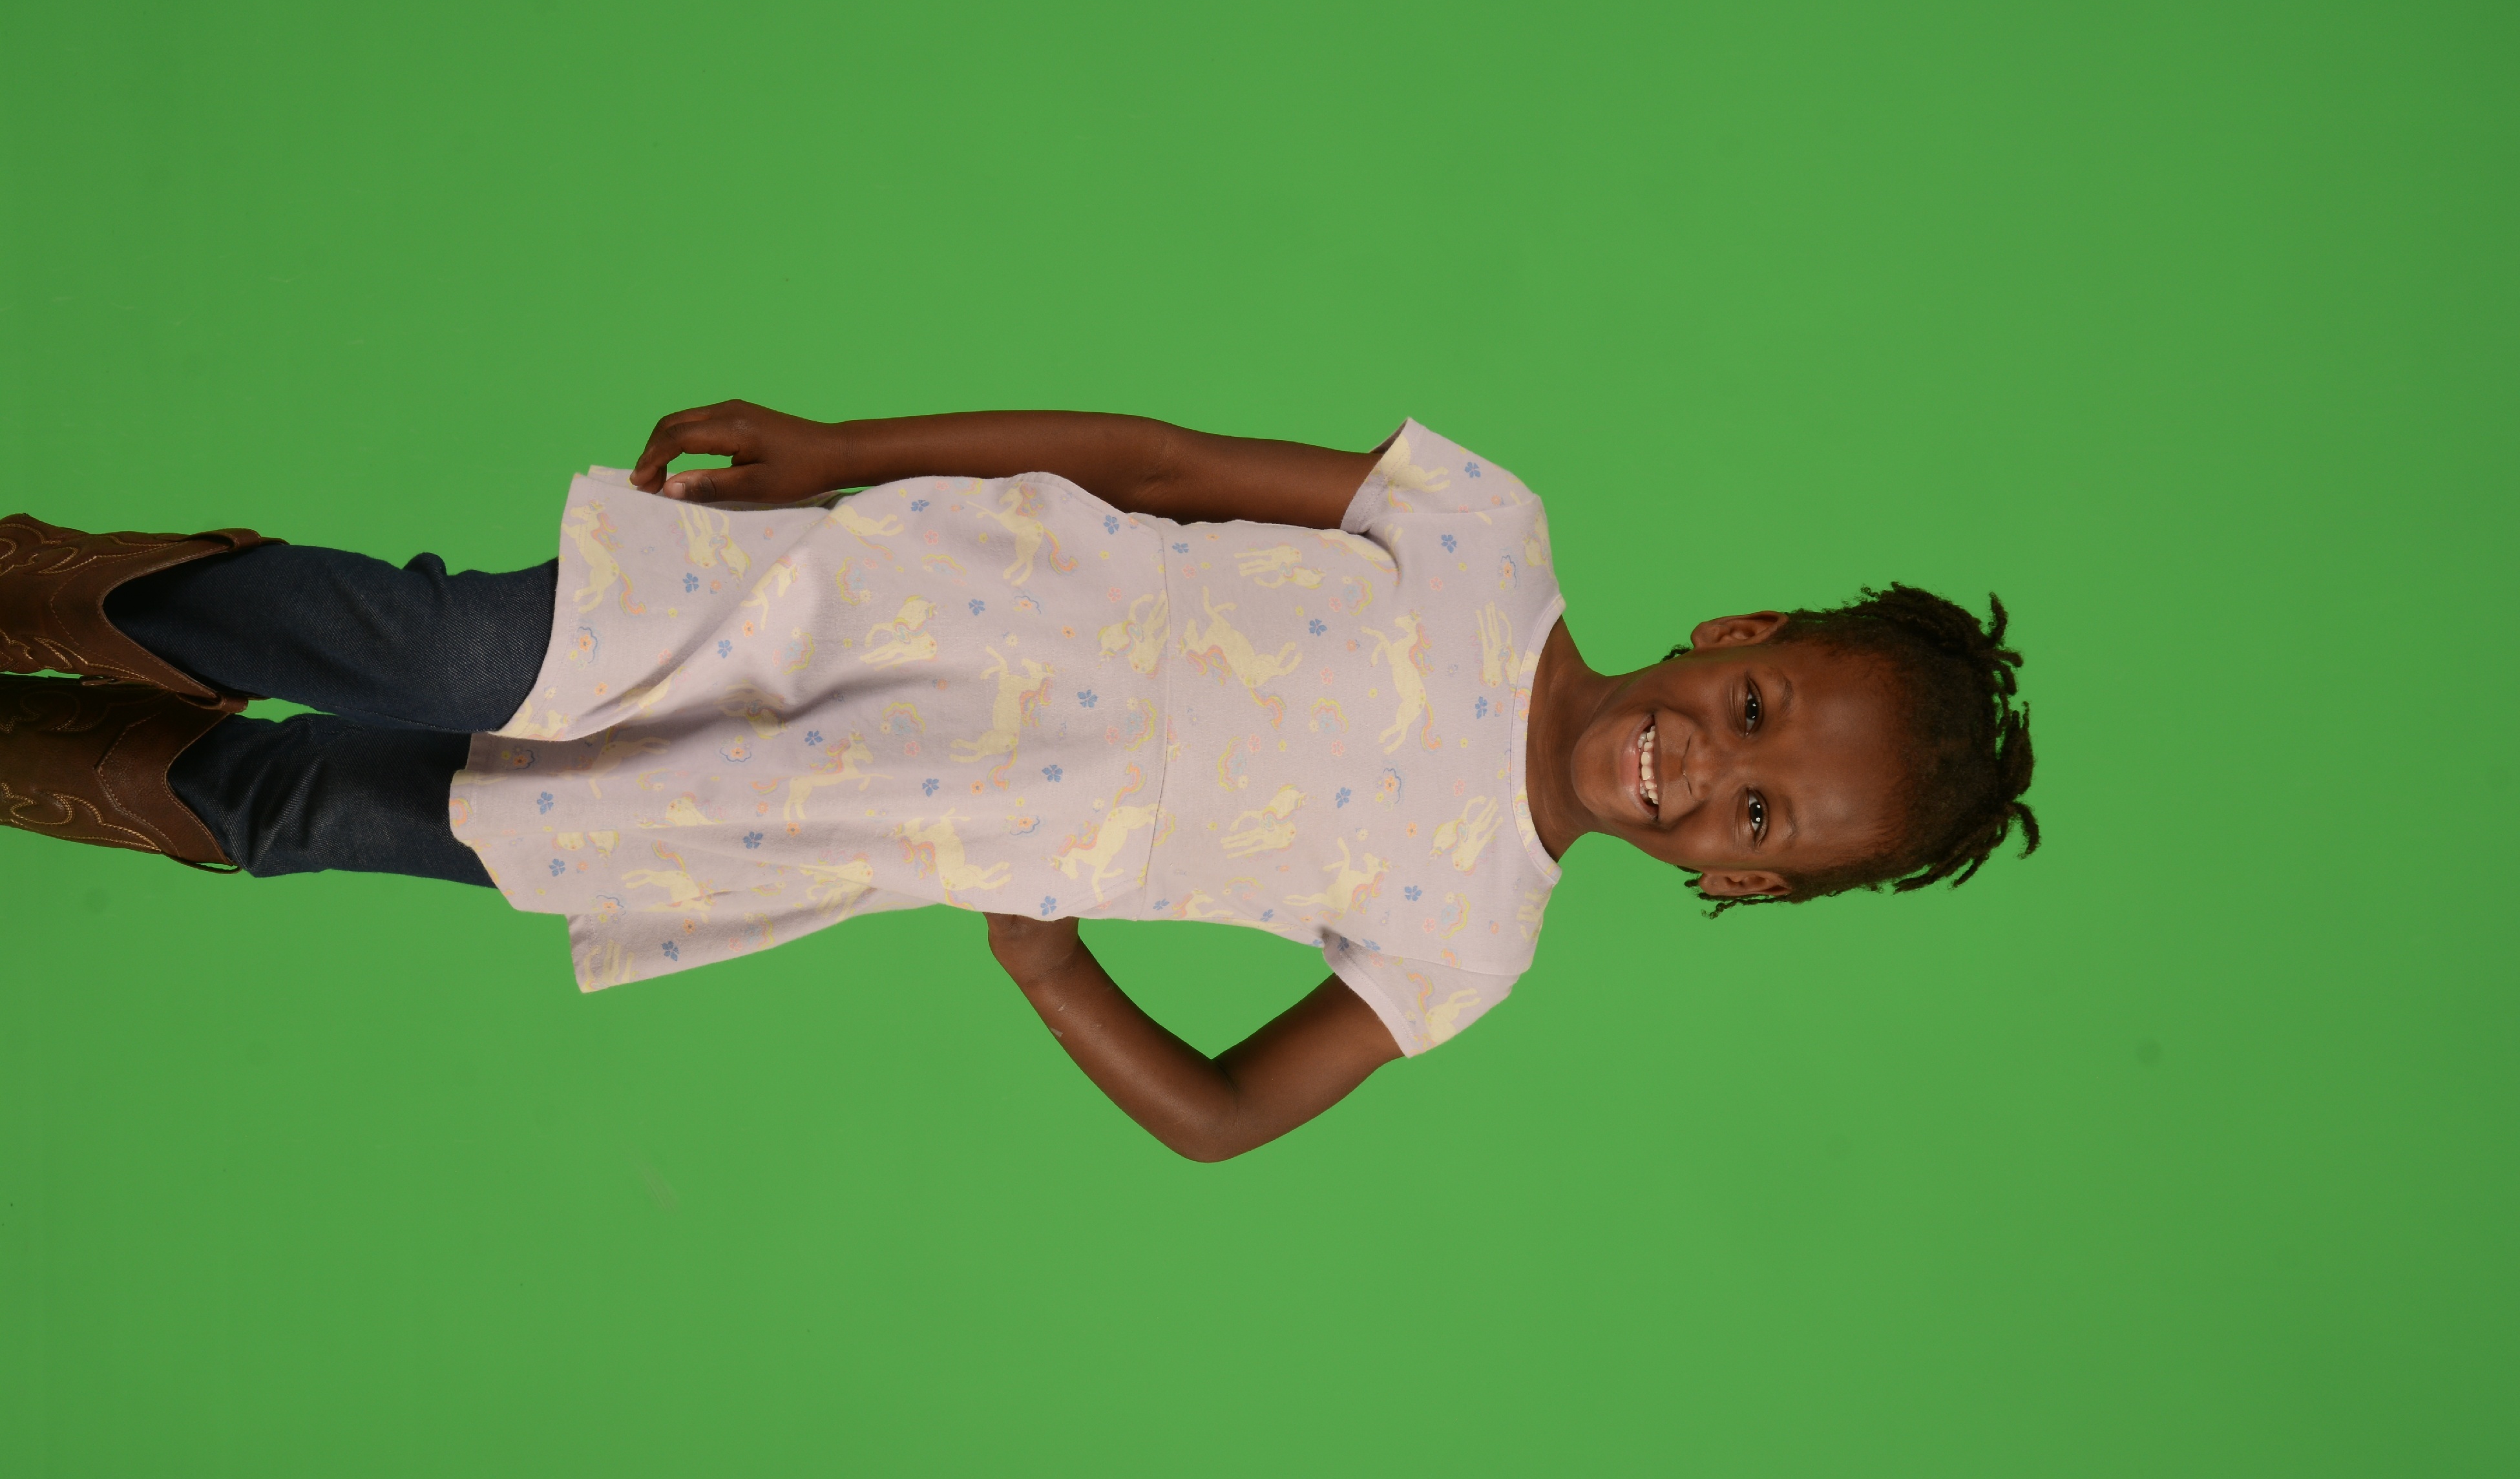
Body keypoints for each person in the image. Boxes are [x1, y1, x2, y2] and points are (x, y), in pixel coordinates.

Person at [0, 402, 2037, 1157]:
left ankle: (43, 759)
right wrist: (845, 453)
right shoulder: (1484, 534)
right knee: (442, 649)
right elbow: (1152, 464)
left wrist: (1055, 970)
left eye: (1756, 813)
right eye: (1755, 710)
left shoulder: (1470, 940)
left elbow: (1229, 1117)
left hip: (841, 818)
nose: (1703, 769)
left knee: (344, 811)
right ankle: (57, 588)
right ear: (1740, 630)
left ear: (1741, 883)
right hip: (857, 607)